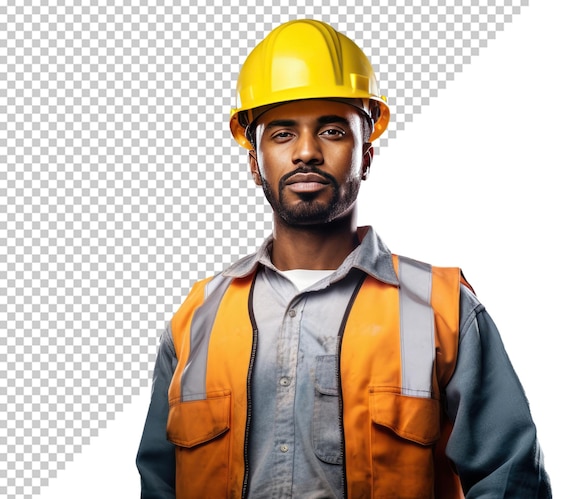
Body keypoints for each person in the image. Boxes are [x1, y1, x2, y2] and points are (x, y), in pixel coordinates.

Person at [136, 19, 551, 498]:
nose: (307, 153)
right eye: (282, 134)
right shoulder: (196, 320)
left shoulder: (444, 312)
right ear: (255, 162)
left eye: (332, 130)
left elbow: (511, 482)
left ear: (366, 156)